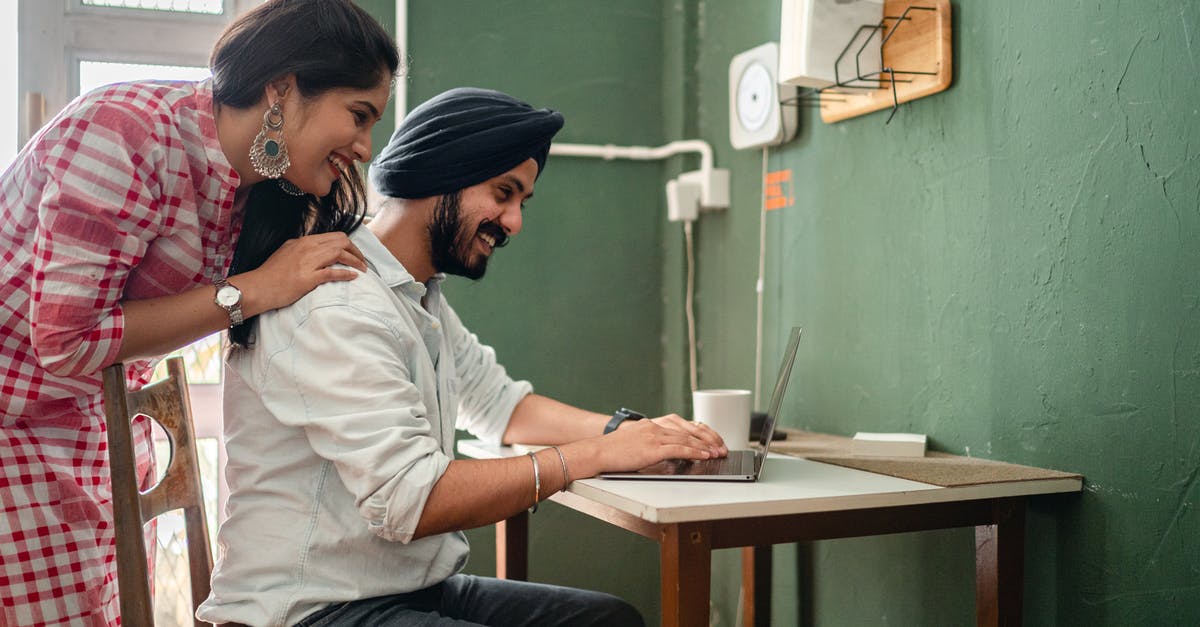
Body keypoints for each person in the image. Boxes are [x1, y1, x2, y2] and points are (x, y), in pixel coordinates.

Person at [196, 87, 728, 626]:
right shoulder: (342, 300)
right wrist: (590, 457)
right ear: (440, 172)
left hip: (400, 588)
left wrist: (630, 436)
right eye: (504, 192)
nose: (515, 221)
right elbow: (412, 500)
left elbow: (500, 406)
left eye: (521, 201)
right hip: (309, 609)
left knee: (609, 620)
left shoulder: (413, 292)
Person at [0, 1, 400, 624]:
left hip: (94, 430)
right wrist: (254, 289)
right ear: (283, 88)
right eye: (358, 115)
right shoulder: (124, 132)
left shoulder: (263, 189)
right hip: (14, 430)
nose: (365, 145)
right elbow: (67, 341)